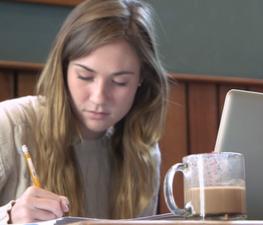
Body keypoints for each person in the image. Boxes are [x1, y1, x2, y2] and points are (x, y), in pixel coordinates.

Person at [0, 0, 169, 223]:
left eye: (120, 82)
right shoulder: (10, 123)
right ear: (63, 69)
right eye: (85, 77)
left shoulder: (144, 152)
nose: (99, 97)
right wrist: (9, 216)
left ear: (142, 80)